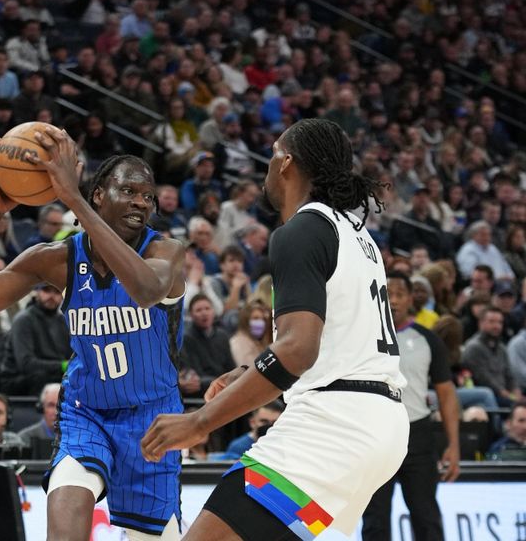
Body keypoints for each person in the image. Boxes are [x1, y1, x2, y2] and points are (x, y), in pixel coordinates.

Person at [141, 118, 408, 540]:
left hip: (333, 429)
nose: (267, 168)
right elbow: (330, 343)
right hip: (380, 427)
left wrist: (200, 423)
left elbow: (299, 350)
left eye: (270, 157)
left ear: (286, 164)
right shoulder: (358, 236)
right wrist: (248, 374)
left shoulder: (300, 230)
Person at [0, 128, 187, 539]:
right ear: (100, 195)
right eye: (130, 191)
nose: (142, 201)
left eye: (148, 195)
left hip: (153, 420)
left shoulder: (165, 252)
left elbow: (146, 291)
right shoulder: (58, 259)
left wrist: (73, 199)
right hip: (86, 412)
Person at [362, 272, 461, 541]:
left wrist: (454, 444)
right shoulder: (360, 338)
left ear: (410, 299)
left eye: (399, 294)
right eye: (388, 293)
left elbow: (446, 393)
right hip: (375, 435)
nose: (393, 300)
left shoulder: (427, 339)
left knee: (425, 515)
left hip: (417, 434)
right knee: (375, 519)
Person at [0, 282, 71, 395]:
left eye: (57, 292)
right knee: (42, 377)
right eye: (46, 290)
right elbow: (26, 364)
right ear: (37, 292)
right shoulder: (23, 320)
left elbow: (70, 356)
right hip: (20, 380)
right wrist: (62, 366)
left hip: (52, 376)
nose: (51, 296)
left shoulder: (63, 322)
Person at [17, 383, 60, 448]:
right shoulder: (24, 438)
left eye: (61, 405)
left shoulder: (78, 437)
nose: (56, 412)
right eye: (51, 405)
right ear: (41, 408)